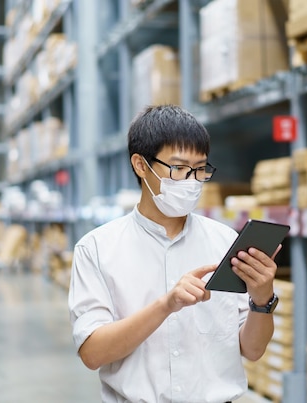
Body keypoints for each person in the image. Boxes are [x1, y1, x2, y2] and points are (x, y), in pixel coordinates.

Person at [68, 105, 282, 403]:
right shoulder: (97, 249)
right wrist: (167, 304)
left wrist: (262, 299)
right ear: (141, 165)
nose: (191, 181)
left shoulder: (224, 242)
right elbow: (92, 353)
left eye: (200, 169)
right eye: (179, 169)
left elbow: (253, 350)